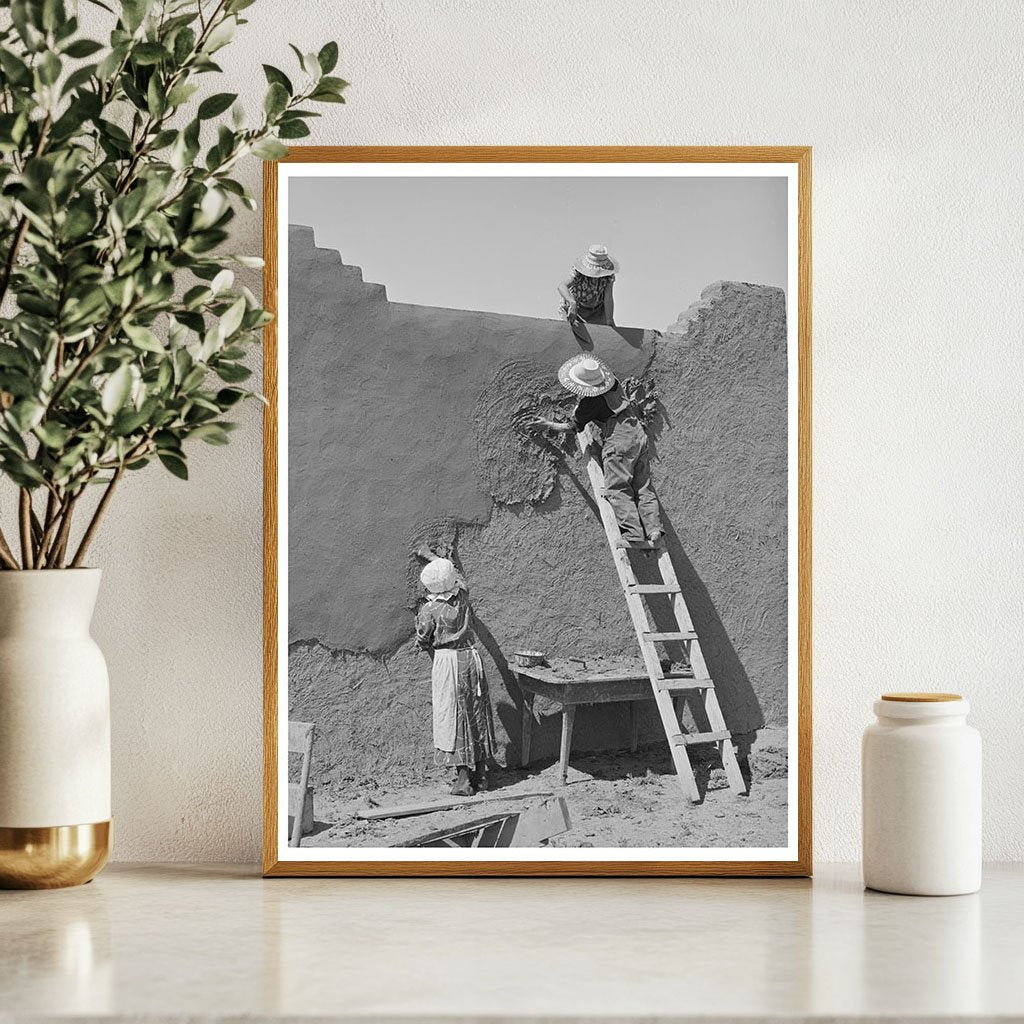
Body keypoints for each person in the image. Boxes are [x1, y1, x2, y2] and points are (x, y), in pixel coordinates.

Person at [524, 355, 663, 550]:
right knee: (642, 487)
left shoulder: (589, 403)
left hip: (619, 442)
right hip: (637, 434)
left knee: (617, 488)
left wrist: (548, 424)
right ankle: (654, 530)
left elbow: (573, 427)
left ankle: (634, 535)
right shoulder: (613, 382)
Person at [414, 547, 496, 795]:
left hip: (447, 662)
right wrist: (434, 557)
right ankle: (481, 775)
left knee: (453, 717)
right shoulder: (462, 596)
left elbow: (423, 638)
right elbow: (458, 577)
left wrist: (421, 637)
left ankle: (463, 780)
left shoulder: (429, 610)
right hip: (471, 658)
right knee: (475, 713)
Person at [557, 244, 618, 327]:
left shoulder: (608, 276)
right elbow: (562, 286)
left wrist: (609, 320)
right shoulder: (578, 272)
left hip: (596, 311)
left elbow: (608, 298)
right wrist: (572, 302)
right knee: (571, 330)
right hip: (576, 308)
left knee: (599, 333)